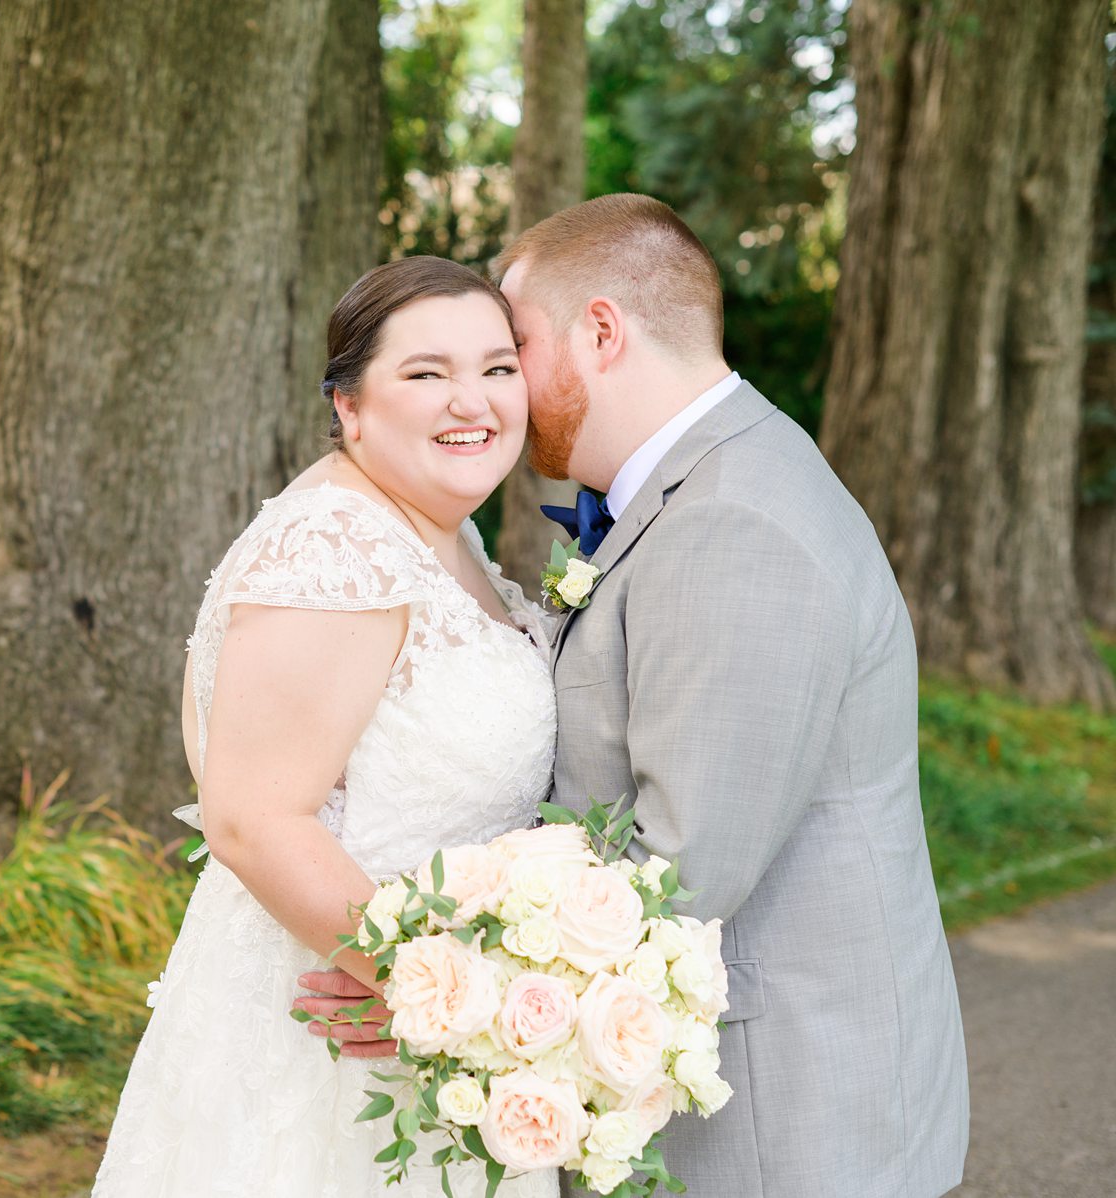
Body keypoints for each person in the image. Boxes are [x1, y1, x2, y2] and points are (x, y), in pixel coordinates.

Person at [299, 194, 970, 1197]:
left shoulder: (736, 523)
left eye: (515, 345)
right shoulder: (716, 483)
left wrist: (440, 989)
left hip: (779, 1127)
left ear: (601, 331)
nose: (505, 384)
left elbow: (678, 870)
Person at [90, 256, 561, 1197]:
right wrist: (430, 997)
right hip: (341, 1045)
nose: (472, 400)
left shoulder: (435, 527)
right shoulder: (336, 544)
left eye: (497, 368)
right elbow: (253, 820)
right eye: (426, 374)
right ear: (350, 406)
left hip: (428, 1044)